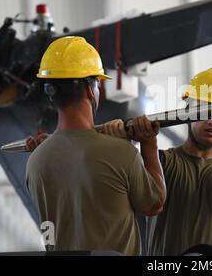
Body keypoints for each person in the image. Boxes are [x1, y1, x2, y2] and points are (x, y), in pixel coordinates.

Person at [103, 67, 212, 255]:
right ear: (189, 112)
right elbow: (115, 194)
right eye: (206, 109)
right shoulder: (160, 162)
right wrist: (121, 145)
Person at [25, 36, 166, 255]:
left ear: (51, 95)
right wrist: (148, 143)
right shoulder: (121, 153)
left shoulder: (36, 161)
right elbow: (154, 204)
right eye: (98, 84)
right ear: (91, 90)